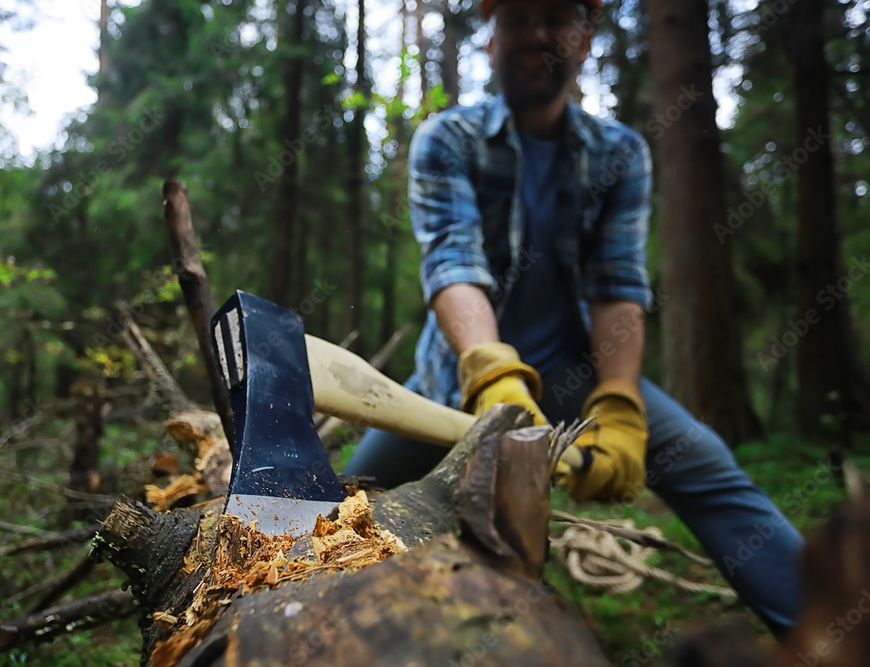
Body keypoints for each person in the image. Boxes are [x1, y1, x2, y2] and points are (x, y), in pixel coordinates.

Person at [343, 0, 803, 637]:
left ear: (584, 39)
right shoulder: (448, 139)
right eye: (517, 18)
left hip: (579, 378)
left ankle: (834, 629)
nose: (537, 34)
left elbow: (618, 285)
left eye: (556, 17)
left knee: (706, 465)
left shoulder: (621, 153)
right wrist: (491, 372)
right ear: (490, 38)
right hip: (453, 386)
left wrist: (617, 401)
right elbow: (453, 264)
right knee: (343, 505)